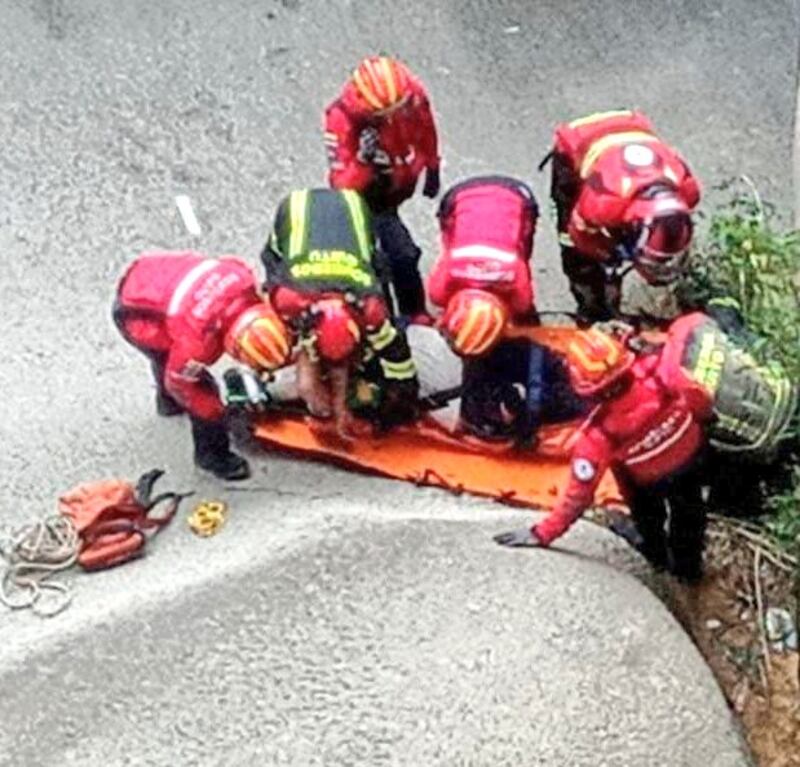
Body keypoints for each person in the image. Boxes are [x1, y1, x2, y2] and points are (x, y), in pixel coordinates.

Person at [494, 326, 714, 581]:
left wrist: (542, 532)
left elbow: (579, 494)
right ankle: (690, 572)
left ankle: (656, 552)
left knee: (645, 511)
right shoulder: (659, 372)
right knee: (690, 512)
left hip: (649, 482)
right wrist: (702, 419)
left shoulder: (598, 435)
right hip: (692, 458)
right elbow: (700, 397)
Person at [113, 251, 292, 480]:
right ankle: (212, 457)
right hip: (135, 312)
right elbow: (179, 380)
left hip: (153, 275)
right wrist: (215, 412)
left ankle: (167, 403)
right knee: (199, 390)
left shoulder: (243, 278)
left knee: (173, 364)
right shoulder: (198, 343)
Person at [427, 176, 578, 442]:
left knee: (527, 337)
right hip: (460, 202)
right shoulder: (443, 282)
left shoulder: (516, 280)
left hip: (515, 199)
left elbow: (523, 320)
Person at [261, 187, 419, 437]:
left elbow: (395, 352)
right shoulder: (287, 299)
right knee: (277, 352)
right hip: (296, 212)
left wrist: (403, 392)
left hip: (351, 207)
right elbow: (268, 333)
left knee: (378, 268)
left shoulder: (371, 307)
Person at [544, 109, 701, 323]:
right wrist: (608, 253)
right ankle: (593, 312)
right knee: (576, 251)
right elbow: (580, 234)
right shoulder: (601, 205)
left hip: (629, 133)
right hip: (579, 140)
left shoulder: (688, 190)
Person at [323, 54, 441, 322]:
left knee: (402, 258)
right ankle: (385, 318)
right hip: (366, 197)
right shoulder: (341, 119)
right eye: (387, 113)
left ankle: (415, 312)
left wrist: (432, 164)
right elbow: (341, 184)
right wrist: (363, 161)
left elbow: (425, 127)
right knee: (390, 260)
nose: (396, 115)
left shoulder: (409, 94)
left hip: (395, 187)